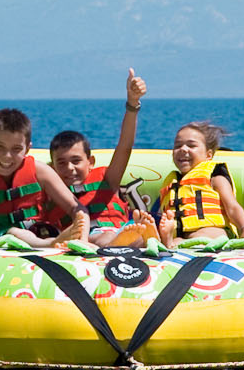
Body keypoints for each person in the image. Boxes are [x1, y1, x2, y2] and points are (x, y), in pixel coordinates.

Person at [41, 68, 158, 246]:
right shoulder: (50, 192)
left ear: (91, 162)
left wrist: (132, 104)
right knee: (99, 238)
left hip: (116, 229)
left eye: (76, 161)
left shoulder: (108, 179)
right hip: (84, 238)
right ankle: (133, 241)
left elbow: (125, 147)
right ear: (52, 167)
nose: (70, 168)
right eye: (62, 163)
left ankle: (142, 238)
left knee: (114, 236)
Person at [0, 107, 90, 246]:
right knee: (14, 232)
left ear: (27, 148)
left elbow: (77, 209)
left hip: (41, 233)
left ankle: (54, 242)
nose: (7, 156)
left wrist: (82, 240)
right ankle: (50, 244)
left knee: (33, 232)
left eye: (16, 149)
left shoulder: (40, 171)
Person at [154, 121, 244, 248]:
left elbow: (232, 207)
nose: (183, 149)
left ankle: (169, 242)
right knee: (176, 241)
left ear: (208, 155)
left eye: (191, 146)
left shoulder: (215, 176)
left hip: (212, 233)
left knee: (204, 235)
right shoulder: (172, 184)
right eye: (178, 145)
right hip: (181, 238)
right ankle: (168, 241)